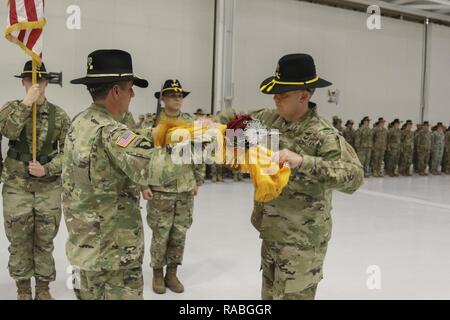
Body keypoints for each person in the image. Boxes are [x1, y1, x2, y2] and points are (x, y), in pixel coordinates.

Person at [246, 53, 363, 299]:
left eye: (283, 94)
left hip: (302, 242)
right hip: (272, 233)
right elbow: (238, 121)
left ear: (303, 96)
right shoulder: (271, 120)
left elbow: (354, 177)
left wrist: (303, 162)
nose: (275, 97)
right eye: (275, 92)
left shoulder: (324, 135)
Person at [63, 49, 167, 300]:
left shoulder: (80, 122)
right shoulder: (111, 132)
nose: (132, 95)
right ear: (116, 91)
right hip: (114, 257)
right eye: (130, 88)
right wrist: (205, 143)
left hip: (84, 249)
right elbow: (159, 168)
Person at [0, 61, 71, 300]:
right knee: (18, 238)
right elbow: (8, 132)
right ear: (23, 82)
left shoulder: (59, 115)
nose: (36, 85)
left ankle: (42, 287)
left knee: (44, 238)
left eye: (40, 80)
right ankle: (22, 289)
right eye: (31, 80)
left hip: (47, 186)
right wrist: (26, 104)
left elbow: (70, 154)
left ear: (46, 82)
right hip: (16, 185)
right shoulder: (11, 109)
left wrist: (48, 168)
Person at [139, 79, 205, 294]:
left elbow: (198, 152)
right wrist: (142, 183)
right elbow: (140, 154)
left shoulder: (190, 122)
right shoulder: (151, 122)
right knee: (161, 233)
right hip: (160, 188)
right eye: (172, 95)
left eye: (180, 96)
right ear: (162, 99)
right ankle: (157, 273)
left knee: (180, 232)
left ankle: (172, 273)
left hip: (184, 187)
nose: (177, 99)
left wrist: (198, 179)